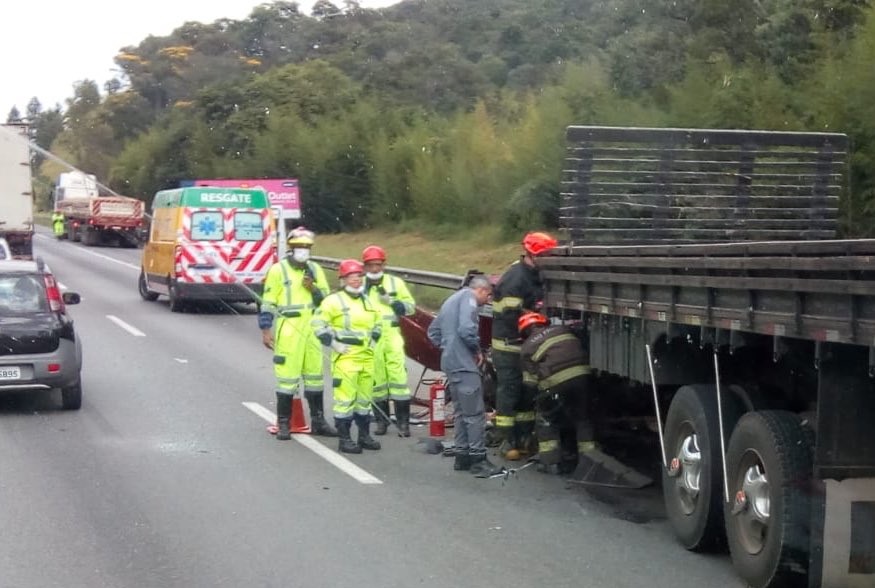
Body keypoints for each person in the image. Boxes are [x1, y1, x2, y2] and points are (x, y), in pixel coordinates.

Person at [259, 226, 335, 441]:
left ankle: (319, 421)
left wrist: (314, 289)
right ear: (291, 248)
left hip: (312, 327)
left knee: (315, 377)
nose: (303, 250)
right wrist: (266, 330)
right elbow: (267, 302)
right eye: (299, 247)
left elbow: (327, 302)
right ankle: (285, 422)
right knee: (287, 378)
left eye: (307, 247)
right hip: (289, 328)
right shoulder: (278, 270)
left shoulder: (315, 270)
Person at [490, 231, 558, 461]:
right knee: (510, 392)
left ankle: (524, 439)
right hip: (509, 345)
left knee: (527, 394)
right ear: (532, 254)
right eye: (544, 255)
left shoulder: (537, 274)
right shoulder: (516, 278)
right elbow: (506, 314)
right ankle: (506, 439)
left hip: (528, 344)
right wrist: (532, 315)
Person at [427, 275, 502, 477]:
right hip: (464, 364)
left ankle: (462, 457)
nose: (487, 300)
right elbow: (466, 329)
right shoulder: (469, 298)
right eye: (488, 296)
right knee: (475, 414)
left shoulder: (451, 300)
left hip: (451, 363)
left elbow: (433, 332)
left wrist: (448, 348)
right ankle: (478, 459)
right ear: (481, 290)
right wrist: (475, 350)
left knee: (461, 412)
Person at [312, 259, 383, 454]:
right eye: (351, 277)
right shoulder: (333, 301)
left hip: (366, 356)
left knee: (364, 399)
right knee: (345, 400)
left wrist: (374, 339)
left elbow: (378, 322)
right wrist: (334, 344)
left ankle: (364, 436)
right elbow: (318, 324)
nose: (356, 280)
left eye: (358, 276)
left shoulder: (367, 299)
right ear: (343, 279)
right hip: (346, 356)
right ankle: (344, 439)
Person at [518, 312, 593, 474]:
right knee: (582, 418)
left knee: (546, 420)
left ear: (524, 332)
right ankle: (589, 459)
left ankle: (550, 462)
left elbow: (530, 383)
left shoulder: (526, 348)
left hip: (555, 382)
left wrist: (531, 405)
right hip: (582, 376)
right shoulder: (562, 329)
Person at [362, 245, 416, 436]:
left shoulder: (395, 283)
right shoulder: (359, 287)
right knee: (377, 381)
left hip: (392, 335)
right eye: (371, 265)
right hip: (371, 338)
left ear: (384, 264)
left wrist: (393, 302)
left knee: (398, 378)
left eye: (378, 265)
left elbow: (410, 308)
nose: (375, 269)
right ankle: (381, 422)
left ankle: (403, 423)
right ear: (365, 266)